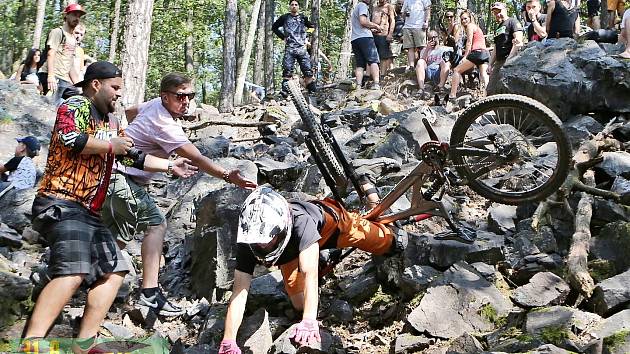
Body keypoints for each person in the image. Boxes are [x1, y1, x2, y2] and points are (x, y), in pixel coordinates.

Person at [21, 62, 195, 352]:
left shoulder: (111, 122)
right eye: (115, 88)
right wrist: (111, 145)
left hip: (90, 210)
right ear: (96, 84)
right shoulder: (75, 105)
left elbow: (131, 157)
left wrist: (169, 165)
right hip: (62, 201)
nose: (119, 94)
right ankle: (31, 342)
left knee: (115, 270)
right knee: (73, 271)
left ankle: (84, 344)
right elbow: (70, 138)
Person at [101, 73, 257, 317]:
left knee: (118, 240)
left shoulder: (154, 105)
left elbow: (131, 111)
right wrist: (228, 176)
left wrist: (134, 137)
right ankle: (150, 294)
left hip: (116, 175)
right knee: (156, 224)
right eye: (180, 96)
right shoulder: (165, 124)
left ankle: (83, 277)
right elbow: (197, 158)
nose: (186, 101)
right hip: (121, 177)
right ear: (166, 96)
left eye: (190, 96)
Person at [217, 186, 404, 353]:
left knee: (389, 243)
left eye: (269, 239)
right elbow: (239, 293)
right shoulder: (248, 240)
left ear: (281, 227)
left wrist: (309, 321)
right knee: (299, 303)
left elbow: (310, 274)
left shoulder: (301, 222)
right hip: (291, 253)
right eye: (260, 242)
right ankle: (325, 258)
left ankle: (368, 188)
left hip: (333, 227)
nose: (263, 245)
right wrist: (228, 339)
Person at [37, 3, 86, 106]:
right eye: (74, 15)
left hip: (63, 79)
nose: (77, 18)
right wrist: (51, 76)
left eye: (79, 16)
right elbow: (51, 53)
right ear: (66, 15)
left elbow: (70, 64)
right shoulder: (57, 32)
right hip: (51, 76)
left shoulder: (73, 38)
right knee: (49, 107)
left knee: (81, 99)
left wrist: (78, 85)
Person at [272, 0, 317, 95]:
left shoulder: (303, 18)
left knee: (308, 72)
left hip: (301, 48)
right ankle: (285, 94)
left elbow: (312, 27)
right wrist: (283, 37)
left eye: (296, 5)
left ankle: (312, 93)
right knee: (287, 71)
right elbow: (274, 27)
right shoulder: (284, 17)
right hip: (290, 48)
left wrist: (306, 36)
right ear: (289, 6)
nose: (294, 6)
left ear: (298, 7)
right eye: (292, 5)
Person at [449, 10, 490, 101]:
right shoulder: (477, 28)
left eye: (465, 18)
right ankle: (488, 97)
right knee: (484, 74)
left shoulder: (470, 26)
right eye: (462, 19)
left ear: (470, 18)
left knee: (456, 70)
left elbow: (469, 42)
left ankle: (452, 95)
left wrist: (465, 56)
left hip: (477, 52)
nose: (464, 21)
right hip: (485, 53)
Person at [350, 0, 383, 89]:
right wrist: (376, 26)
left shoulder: (357, 7)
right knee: (373, 60)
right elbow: (363, 21)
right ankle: (376, 83)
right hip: (365, 38)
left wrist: (371, 30)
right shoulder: (362, 6)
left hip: (355, 38)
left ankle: (358, 85)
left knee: (360, 64)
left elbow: (361, 26)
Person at [489, 2, 523, 75]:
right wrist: (490, 64)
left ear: (505, 10)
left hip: (511, 60)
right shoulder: (498, 28)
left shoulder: (512, 22)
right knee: (493, 85)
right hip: (499, 62)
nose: (497, 14)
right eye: (495, 13)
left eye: (499, 11)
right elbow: (496, 46)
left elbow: (518, 41)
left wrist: (510, 59)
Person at [415, 30, 451, 97]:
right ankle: (421, 88)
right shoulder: (424, 50)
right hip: (428, 71)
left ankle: (441, 86)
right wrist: (427, 49)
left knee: (446, 62)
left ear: (438, 37)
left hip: (439, 72)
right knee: (420, 61)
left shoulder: (445, 49)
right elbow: (422, 62)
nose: (433, 40)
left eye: (434, 37)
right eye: (430, 38)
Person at [401, 0, 432, 69]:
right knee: (410, 48)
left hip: (419, 26)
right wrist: (405, 14)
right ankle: (411, 66)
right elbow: (402, 14)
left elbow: (428, 10)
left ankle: (423, 64)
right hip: (407, 26)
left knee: (422, 47)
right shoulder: (407, 1)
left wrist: (426, 22)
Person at [371, 0, 396, 73]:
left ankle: (382, 74)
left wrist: (390, 34)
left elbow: (392, 21)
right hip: (373, 35)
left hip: (383, 34)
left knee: (383, 56)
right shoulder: (374, 7)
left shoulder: (389, 6)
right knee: (373, 56)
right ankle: (374, 75)